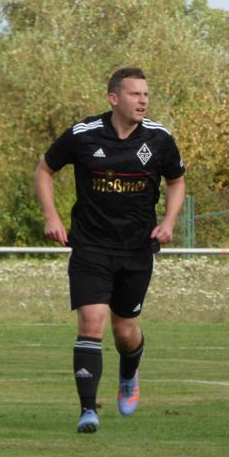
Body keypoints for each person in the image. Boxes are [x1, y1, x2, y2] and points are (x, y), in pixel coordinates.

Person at [34, 67, 186, 434]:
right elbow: (44, 170)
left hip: (136, 250)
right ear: (114, 98)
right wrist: (52, 217)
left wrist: (169, 222)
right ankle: (88, 411)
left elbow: (176, 181)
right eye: (135, 94)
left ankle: (129, 375)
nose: (143, 100)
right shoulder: (83, 135)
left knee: (124, 330)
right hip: (90, 247)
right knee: (91, 322)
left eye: (146, 94)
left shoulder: (159, 138)